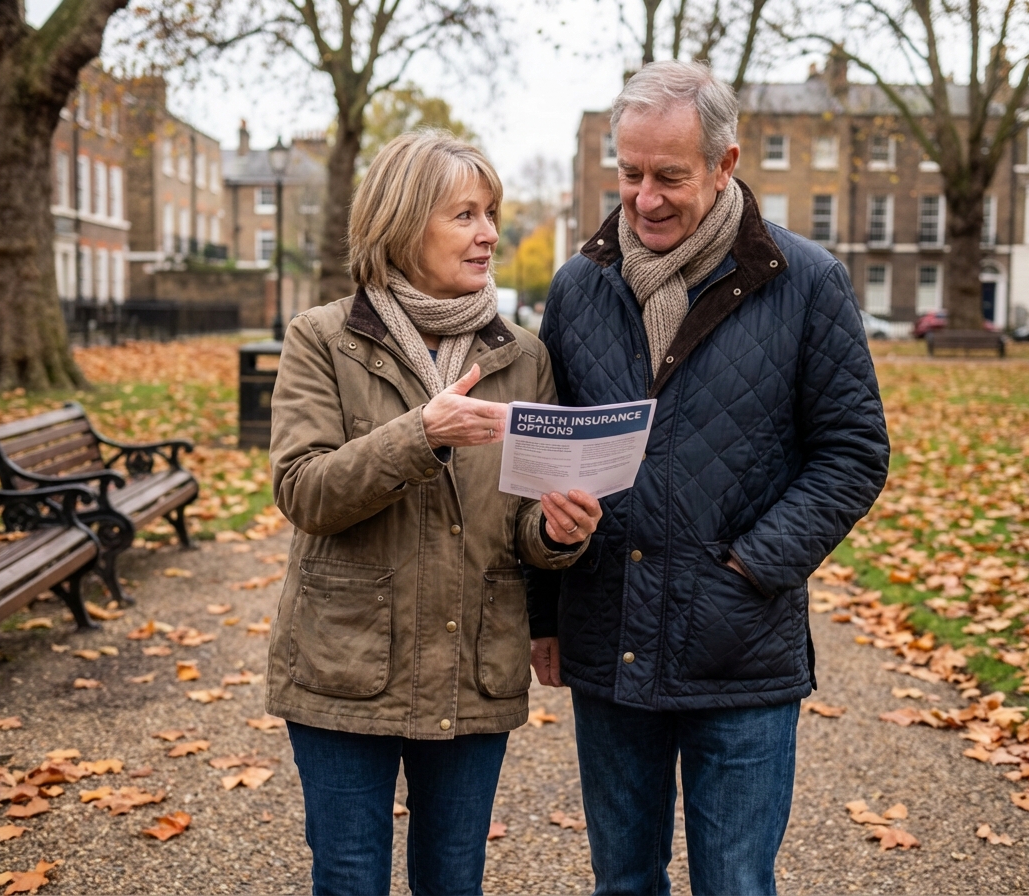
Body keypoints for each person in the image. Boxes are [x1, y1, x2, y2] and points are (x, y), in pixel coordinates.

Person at [528, 61, 890, 895]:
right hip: (608, 634)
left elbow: (853, 452)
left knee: (733, 882)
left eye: (669, 177)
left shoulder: (807, 282)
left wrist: (751, 568)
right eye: (629, 173)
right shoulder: (580, 286)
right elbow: (547, 458)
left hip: (739, 648)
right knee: (623, 881)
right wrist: (543, 612)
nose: (644, 199)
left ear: (726, 165)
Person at [266, 131, 602, 896]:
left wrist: (557, 532)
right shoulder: (323, 339)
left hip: (471, 665)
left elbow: (524, 523)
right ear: (402, 221)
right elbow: (304, 491)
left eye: (492, 213)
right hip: (345, 663)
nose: (489, 234)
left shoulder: (523, 354)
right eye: (464, 215)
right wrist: (421, 432)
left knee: (454, 879)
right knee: (349, 879)